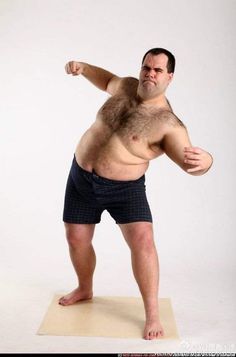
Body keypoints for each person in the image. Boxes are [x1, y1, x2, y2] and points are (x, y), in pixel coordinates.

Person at [59, 48, 213, 340]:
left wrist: (207, 162)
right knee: (76, 238)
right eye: (147, 67)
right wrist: (84, 67)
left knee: (143, 242)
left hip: (124, 190)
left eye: (157, 70)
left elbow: (189, 163)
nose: (150, 74)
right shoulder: (127, 86)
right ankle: (85, 288)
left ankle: (152, 314)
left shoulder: (169, 124)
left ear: (170, 77)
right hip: (80, 177)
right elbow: (107, 81)